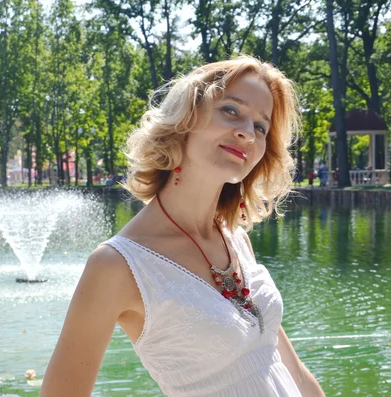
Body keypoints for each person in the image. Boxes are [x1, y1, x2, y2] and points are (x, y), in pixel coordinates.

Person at [41, 56, 325, 397]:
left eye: (261, 127)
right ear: (186, 118)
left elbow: (292, 372)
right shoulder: (117, 266)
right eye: (231, 110)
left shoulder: (236, 240)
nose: (247, 133)